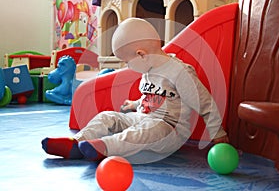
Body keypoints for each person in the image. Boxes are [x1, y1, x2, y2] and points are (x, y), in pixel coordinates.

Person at [41, 18, 229, 162]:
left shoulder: (180, 72)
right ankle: (76, 143)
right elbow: (153, 97)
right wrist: (135, 104)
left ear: (141, 55)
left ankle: (103, 148)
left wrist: (218, 134)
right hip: (141, 119)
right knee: (108, 116)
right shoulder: (149, 69)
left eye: (127, 61)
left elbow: (205, 104)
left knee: (145, 130)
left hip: (169, 130)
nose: (127, 66)